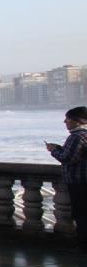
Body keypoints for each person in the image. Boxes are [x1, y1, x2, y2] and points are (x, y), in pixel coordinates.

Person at [46, 106, 87, 252]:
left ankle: (83, 244)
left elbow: (68, 158)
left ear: (78, 121)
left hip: (79, 181)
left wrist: (54, 150)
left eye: (68, 118)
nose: (65, 122)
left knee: (81, 213)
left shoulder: (77, 136)